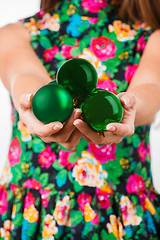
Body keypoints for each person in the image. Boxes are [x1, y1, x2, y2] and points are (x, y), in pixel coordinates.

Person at [0, 0, 160, 239]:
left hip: (122, 218)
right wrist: (34, 104)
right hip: (34, 215)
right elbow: (25, 76)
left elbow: (150, 89)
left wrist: (129, 109)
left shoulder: (152, 38)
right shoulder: (15, 34)